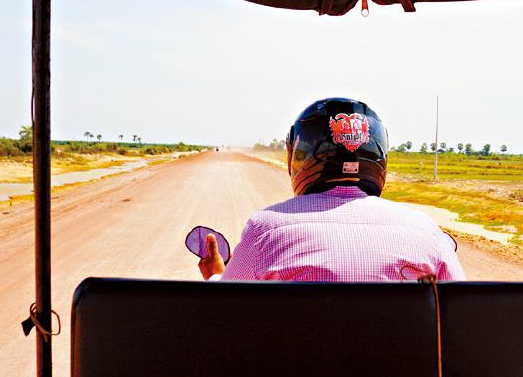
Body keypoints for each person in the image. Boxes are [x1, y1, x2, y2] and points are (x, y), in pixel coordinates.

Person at [197, 97, 463, 283]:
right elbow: (460, 311)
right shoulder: (426, 231)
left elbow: (226, 304)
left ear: (300, 155)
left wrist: (215, 275)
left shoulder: (264, 229)